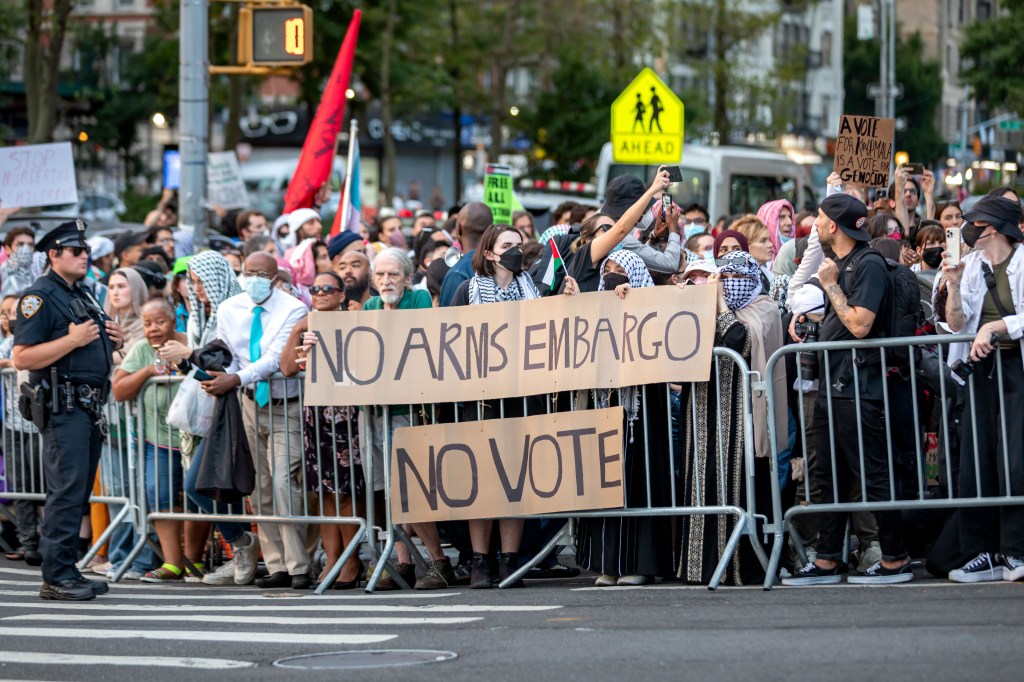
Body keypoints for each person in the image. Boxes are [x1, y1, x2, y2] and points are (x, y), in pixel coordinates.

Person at [783, 193, 912, 586]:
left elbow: (859, 324)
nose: (815, 226)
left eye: (820, 220)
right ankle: (826, 559)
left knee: (872, 473)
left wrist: (830, 287)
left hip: (860, 386)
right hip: (834, 384)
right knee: (829, 475)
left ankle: (894, 558)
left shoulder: (867, 264)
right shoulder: (839, 264)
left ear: (834, 226)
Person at [12, 220, 125, 600]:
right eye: (75, 251)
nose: (84, 256)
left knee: (76, 491)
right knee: (65, 490)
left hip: (87, 405)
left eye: (85, 250)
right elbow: (22, 356)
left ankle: (67, 569)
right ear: (53, 254)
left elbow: (93, 342)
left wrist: (113, 341)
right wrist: (73, 339)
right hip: (63, 405)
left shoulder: (84, 292)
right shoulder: (39, 296)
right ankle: (56, 576)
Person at [203, 251, 312, 589]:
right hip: (249, 404)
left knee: (283, 482)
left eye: (262, 274)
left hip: (286, 403)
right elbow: (232, 356)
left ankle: (299, 566)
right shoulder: (229, 309)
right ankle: (276, 564)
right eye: (249, 272)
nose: (254, 279)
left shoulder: (292, 308)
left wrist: (234, 379)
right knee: (260, 487)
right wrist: (221, 375)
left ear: (275, 277)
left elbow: (274, 359)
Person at [676, 250, 785, 585]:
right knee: (703, 480)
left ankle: (744, 566)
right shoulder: (701, 307)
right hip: (704, 407)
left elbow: (740, 340)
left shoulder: (764, 307)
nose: (730, 284)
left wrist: (721, 306)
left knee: (741, 481)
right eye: (724, 277)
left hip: (744, 415)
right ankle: (700, 566)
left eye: (738, 277)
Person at [569, 250, 674, 586]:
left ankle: (639, 564)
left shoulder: (650, 305)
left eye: (621, 270)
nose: (614, 275)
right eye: (608, 269)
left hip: (641, 407)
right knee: (607, 480)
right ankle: (608, 563)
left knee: (638, 478)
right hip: (604, 404)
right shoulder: (595, 306)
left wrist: (634, 306)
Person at [356, 248, 455, 590]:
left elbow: (415, 337)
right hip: (374, 411)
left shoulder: (419, 299)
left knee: (410, 489)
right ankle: (403, 562)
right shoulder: (369, 307)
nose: (386, 281)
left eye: (393, 275)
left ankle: (439, 561)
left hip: (409, 412)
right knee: (385, 489)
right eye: (380, 275)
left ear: (407, 277)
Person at [449, 225, 541, 587]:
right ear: (489, 253)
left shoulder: (533, 292)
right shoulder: (466, 291)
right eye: (507, 246)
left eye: (519, 245)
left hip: (521, 398)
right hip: (481, 401)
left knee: (514, 482)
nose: (515, 250)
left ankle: (510, 560)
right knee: (482, 482)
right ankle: (480, 561)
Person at [941, 195, 1024, 583]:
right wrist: (954, 286)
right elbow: (957, 323)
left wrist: (996, 327)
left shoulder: (1022, 261)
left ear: (991, 227)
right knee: (976, 457)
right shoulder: (970, 265)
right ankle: (981, 552)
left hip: (1016, 368)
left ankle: (1015, 551)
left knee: (1016, 459)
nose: (967, 228)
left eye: (973, 222)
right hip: (980, 368)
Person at [279, 271, 365, 589]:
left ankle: (352, 559)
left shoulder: (354, 322)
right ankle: (333, 558)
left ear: (342, 295)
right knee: (323, 490)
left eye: (328, 288)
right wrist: (299, 329)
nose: (320, 293)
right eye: (314, 289)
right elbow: (287, 368)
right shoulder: (308, 327)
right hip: (317, 414)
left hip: (347, 414)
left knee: (346, 492)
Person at [111, 299, 189, 583]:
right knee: (158, 494)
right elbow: (118, 390)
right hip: (156, 439)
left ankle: (197, 560)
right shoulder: (142, 349)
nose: (154, 328)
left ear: (173, 322)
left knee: (197, 494)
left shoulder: (188, 341)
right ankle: (172, 564)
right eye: (147, 323)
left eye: (160, 322)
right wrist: (147, 372)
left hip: (194, 436)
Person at [565, 169, 672, 293]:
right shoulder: (585, 256)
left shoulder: (612, 263)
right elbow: (621, 229)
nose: (613, 234)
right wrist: (651, 192)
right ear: (587, 238)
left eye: (620, 271)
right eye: (607, 229)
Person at [0, 293, 42, 564]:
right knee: (21, 486)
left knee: (45, 485)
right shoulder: (6, 342)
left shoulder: (35, 337)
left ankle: (54, 542)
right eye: (6, 312)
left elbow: (29, 360)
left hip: (38, 424)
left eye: (15, 311)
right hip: (12, 424)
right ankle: (28, 543)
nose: (10, 317)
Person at [599, 174, 682, 275]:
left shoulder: (604, 228)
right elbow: (670, 264)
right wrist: (673, 228)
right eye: (644, 207)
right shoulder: (621, 239)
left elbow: (642, 257)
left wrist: (654, 237)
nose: (645, 212)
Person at [439, 202, 493, 307]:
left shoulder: (458, 273)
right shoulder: (504, 266)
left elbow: (447, 320)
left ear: (458, 229)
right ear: (491, 229)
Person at [0, 227, 42, 295]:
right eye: (20, 244)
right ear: (8, 249)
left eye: (30, 245)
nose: (26, 248)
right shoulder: (3, 271)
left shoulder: (39, 271)